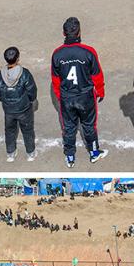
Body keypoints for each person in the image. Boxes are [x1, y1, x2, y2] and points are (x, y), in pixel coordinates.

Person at [50, 16, 107, 168]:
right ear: (79, 32)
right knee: (89, 125)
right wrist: (100, 91)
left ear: (64, 33)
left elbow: (55, 80)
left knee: (69, 128)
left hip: (67, 98)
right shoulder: (88, 51)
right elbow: (97, 75)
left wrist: (60, 96)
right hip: (86, 97)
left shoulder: (57, 54)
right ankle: (94, 153)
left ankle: (70, 157)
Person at [0, 47, 38, 162]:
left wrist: (5, 101)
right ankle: (30, 153)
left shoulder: (0, 74)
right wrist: (31, 100)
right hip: (23, 109)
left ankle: (11, 153)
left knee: (9, 131)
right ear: (18, 58)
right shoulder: (24, 73)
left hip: (8, 110)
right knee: (27, 130)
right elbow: (32, 91)